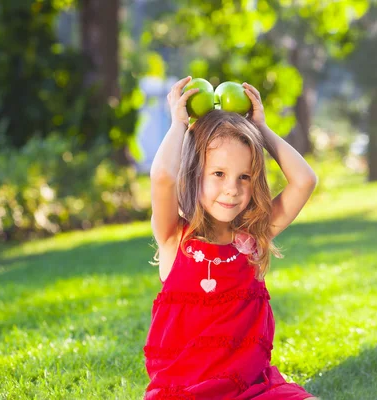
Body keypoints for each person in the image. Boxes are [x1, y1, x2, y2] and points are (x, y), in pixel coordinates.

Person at [143, 76, 319, 399]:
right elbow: (163, 176)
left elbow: (305, 180)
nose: (232, 189)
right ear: (196, 173)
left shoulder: (253, 236)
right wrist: (178, 126)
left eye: (244, 177)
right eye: (219, 174)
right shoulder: (174, 238)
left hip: (251, 389)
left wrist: (261, 130)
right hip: (183, 393)